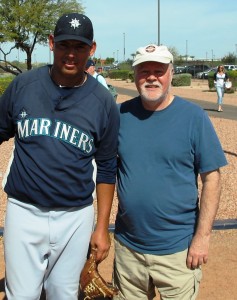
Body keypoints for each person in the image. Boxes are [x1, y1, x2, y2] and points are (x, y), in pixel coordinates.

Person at [0, 12, 119, 300]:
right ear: (52, 43)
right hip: (24, 211)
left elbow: (106, 168)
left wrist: (101, 227)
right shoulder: (23, 86)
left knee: (63, 294)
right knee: (21, 295)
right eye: (64, 44)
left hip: (75, 216)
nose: (70, 54)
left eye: (79, 47)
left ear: (91, 49)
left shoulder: (103, 102)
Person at [113, 44, 227, 300]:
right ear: (134, 75)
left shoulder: (193, 117)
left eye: (159, 71)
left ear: (171, 74)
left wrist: (203, 237)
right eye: (144, 71)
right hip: (128, 249)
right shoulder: (121, 115)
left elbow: (212, 178)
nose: (151, 77)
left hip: (178, 250)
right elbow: (105, 169)